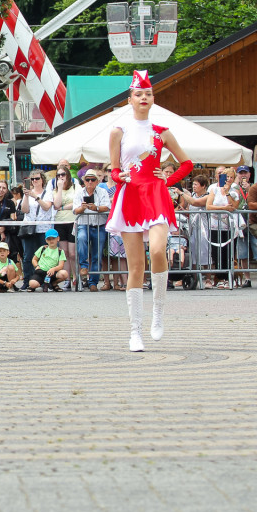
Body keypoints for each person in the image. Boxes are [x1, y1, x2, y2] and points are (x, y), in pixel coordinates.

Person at [106, 70, 193, 351]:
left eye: (148, 94)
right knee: (135, 267)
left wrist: (167, 179)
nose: (144, 98)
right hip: (130, 196)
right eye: (138, 94)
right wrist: (120, 177)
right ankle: (135, 332)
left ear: (153, 99)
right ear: (130, 100)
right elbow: (115, 171)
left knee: (157, 250)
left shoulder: (162, 132)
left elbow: (187, 163)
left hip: (155, 194)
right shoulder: (118, 132)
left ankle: (158, 312)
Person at [72, 169, 110, 291]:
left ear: (97, 181)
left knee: (97, 255)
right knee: (82, 238)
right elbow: (75, 210)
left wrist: (96, 207)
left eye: (92, 180)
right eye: (87, 179)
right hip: (84, 223)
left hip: (99, 225)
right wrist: (82, 208)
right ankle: (83, 266)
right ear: (84, 181)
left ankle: (93, 282)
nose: (89, 182)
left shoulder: (103, 191)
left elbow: (107, 207)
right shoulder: (79, 192)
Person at [205, 166, 242, 288]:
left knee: (229, 252)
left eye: (232, 177)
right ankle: (220, 277)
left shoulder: (235, 191)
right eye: (227, 177)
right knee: (216, 252)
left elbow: (234, 206)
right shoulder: (214, 190)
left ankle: (228, 278)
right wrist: (223, 208)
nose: (229, 179)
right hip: (216, 226)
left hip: (229, 226)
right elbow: (208, 206)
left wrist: (227, 193)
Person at [19, 171, 54, 291]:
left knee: (45, 256)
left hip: (43, 228)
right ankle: (27, 280)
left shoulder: (48, 193)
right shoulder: (27, 194)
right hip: (29, 227)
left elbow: (47, 206)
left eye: (37, 178)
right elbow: (24, 210)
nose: (34, 181)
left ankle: (46, 282)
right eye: (32, 179)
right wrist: (27, 196)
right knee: (28, 256)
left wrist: (36, 196)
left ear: (42, 180)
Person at [51, 165, 78, 288]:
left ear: (68, 175)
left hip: (72, 221)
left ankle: (76, 277)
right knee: (65, 252)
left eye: (63, 175)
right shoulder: (55, 190)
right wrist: (60, 188)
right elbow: (56, 205)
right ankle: (67, 278)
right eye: (58, 175)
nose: (61, 177)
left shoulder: (75, 187)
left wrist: (63, 207)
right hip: (60, 222)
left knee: (73, 253)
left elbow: (76, 203)